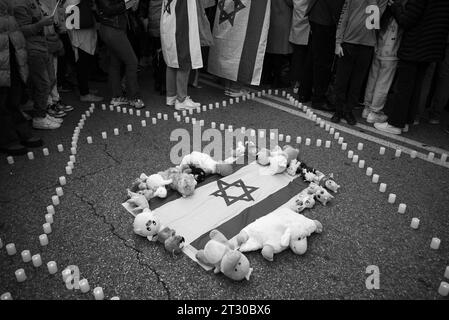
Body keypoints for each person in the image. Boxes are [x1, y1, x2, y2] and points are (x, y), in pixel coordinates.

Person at [374, 0, 449, 135]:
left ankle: (395, 124)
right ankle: (406, 121)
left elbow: (407, 20)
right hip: (432, 47)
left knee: (404, 87)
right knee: (416, 87)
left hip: (416, 45)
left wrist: (395, 6)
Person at [331, 0, 388, 125]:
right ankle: (338, 110)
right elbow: (344, 16)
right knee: (341, 80)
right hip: (348, 42)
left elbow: (373, 22)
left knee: (356, 82)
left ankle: (348, 110)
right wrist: (338, 42)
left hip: (367, 45)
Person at [1, 0, 43, 155]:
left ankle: (21, 131)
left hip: (10, 47)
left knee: (13, 95)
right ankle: (8, 138)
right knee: (2, 98)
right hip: (3, 48)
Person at [13, 0, 62, 129]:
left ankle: (42, 112)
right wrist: (41, 23)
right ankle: (39, 117)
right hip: (32, 48)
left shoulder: (34, 2)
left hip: (43, 45)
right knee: (43, 83)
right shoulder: (19, 5)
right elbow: (22, 30)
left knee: (50, 80)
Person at [95, 0, 145, 109]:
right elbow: (108, 9)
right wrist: (126, 2)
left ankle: (117, 97)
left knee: (115, 62)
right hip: (112, 29)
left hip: (113, 28)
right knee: (132, 62)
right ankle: (133, 97)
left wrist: (130, 3)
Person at [298, 0, 345, 111]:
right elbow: (336, 5)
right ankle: (318, 99)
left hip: (317, 13)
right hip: (326, 18)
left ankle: (304, 92)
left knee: (313, 55)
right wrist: (341, 24)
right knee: (323, 61)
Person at [362, 2, 403, 124]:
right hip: (391, 49)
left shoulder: (384, 6)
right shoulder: (399, 8)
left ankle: (367, 107)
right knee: (383, 81)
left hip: (378, 44)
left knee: (373, 77)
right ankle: (375, 112)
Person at [161, 0, 203, 110]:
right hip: (181, 23)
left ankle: (171, 96)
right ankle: (181, 99)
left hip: (170, 22)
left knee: (171, 61)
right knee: (184, 59)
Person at [39, 0, 74, 117]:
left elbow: (58, 18)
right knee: (46, 75)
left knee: (53, 72)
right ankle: (49, 104)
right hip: (42, 39)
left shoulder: (54, 2)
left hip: (53, 35)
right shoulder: (39, 3)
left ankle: (55, 99)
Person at [64, 0, 103, 102]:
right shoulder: (71, 2)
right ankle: (84, 93)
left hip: (86, 39)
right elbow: (75, 23)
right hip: (80, 40)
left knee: (85, 65)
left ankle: (85, 89)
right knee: (82, 66)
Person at [264, 0, 293, 88]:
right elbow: (291, 2)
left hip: (271, 16)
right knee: (280, 52)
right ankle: (279, 80)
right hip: (283, 17)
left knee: (270, 51)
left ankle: (267, 78)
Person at [289, 0, 310, 93]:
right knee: (303, 58)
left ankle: (296, 83)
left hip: (297, 22)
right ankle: (300, 84)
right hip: (306, 24)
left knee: (297, 56)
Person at [428, 34, 449, 127]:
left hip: (437, 35)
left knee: (427, 74)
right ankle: (435, 116)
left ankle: (416, 113)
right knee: (445, 79)